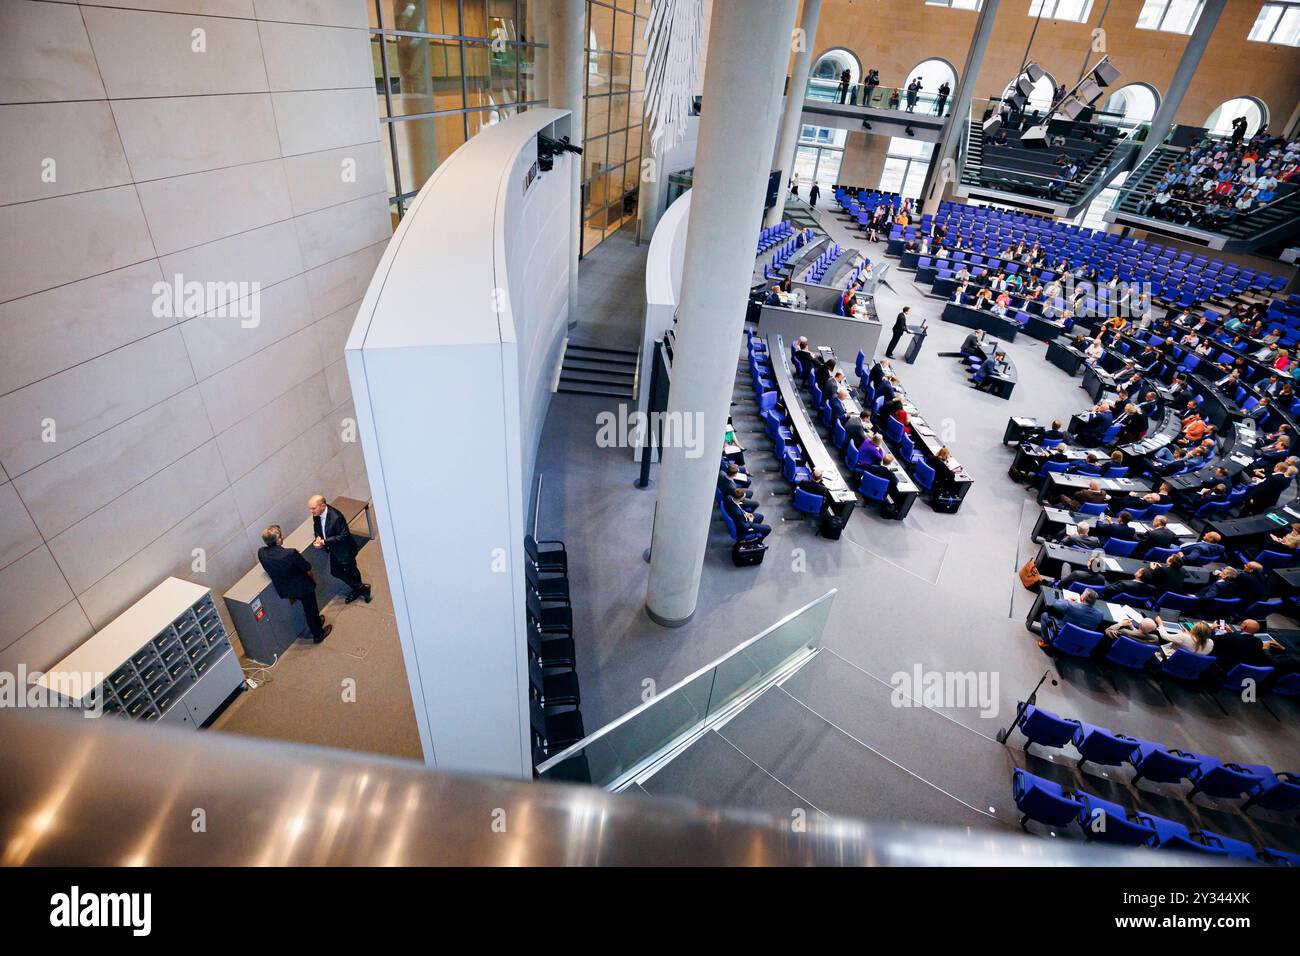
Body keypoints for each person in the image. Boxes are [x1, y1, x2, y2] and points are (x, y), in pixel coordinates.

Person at [258, 525, 330, 643]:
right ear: (278, 540)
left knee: (309, 610)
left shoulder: (261, 553)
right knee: (310, 609)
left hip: (285, 589)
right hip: (303, 587)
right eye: (280, 536)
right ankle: (318, 634)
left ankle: (317, 622)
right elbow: (307, 566)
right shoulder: (290, 553)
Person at [308, 494, 371, 604]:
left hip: (345, 550)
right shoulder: (316, 514)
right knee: (336, 571)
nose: (311, 511)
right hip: (334, 550)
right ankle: (361, 588)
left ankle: (359, 589)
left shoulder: (336, 517)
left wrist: (324, 542)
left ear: (322, 506)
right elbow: (317, 527)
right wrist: (318, 537)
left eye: (313, 508)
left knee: (352, 570)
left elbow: (344, 535)